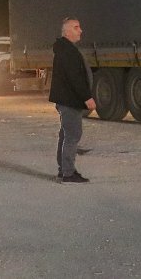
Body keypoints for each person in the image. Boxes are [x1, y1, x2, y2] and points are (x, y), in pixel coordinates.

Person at [49, 17, 96, 183]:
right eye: (76, 27)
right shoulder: (67, 51)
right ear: (67, 32)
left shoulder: (65, 49)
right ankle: (68, 173)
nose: (80, 30)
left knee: (66, 134)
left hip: (68, 99)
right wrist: (87, 97)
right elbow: (75, 78)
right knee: (72, 135)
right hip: (70, 100)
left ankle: (64, 170)